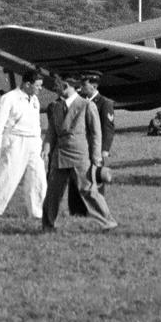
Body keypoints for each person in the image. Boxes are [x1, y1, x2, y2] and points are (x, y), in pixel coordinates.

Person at [41, 74, 117, 232]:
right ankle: (48, 225)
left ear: (68, 86)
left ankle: (107, 222)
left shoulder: (86, 105)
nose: (55, 89)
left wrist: (96, 157)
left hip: (80, 155)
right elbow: (51, 132)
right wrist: (46, 148)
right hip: (59, 156)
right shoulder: (56, 107)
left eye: (58, 86)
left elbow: (96, 133)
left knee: (88, 190)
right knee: (53, 192)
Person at [0, 70, 47, 219]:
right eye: (37, 85)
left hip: (34, 142)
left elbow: (36, 124)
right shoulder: (8, 99)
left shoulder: (35, 100)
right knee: (8, 177)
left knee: (38, 177)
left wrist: (40, 144)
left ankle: (37, 212)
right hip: (15, 142)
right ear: (27, 84)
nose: (40, 88)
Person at [79, 72, 116, 193]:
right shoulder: (80, 101)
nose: (81, 87)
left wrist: (105, 149)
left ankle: (98, 204)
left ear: (94, 86)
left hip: (96, 146)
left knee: (97, 178)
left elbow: (108, 128)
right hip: (81, 146)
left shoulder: (105, 103)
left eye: (84, 85)